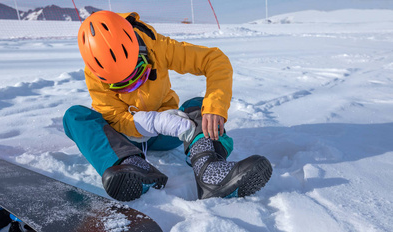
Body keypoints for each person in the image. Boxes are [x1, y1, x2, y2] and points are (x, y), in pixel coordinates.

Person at [63, 11, 272, 202]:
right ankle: (133, 169)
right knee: (75, 117)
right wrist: (153, 122)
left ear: (142, 51)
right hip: (121, 141)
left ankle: (209, 171)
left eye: (139, 76)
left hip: (170, 132)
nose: (133, 87)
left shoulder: (158, 46)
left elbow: (215, 60)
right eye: (122, 86)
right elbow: (113, 116)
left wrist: (215, 108)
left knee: (198, 105)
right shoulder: (95, 73)